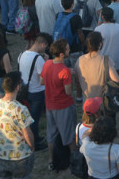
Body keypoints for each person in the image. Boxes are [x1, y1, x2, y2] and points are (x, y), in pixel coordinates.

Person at [0, 72, 35, 179]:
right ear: (17, 87)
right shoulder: (20, 109)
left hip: (2, 155)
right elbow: (27, 134)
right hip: (21, 156)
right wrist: (32, 147)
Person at [40, 39, 77, 170]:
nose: (69, 50)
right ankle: (75, 160)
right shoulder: (64, 71)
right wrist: (70, 77)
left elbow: (41, 81)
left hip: (50, 105)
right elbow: (68, 92)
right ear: (61, 54)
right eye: (67, 49)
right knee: (69, 135)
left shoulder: (47, 64)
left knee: (51, 134)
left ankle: (51, 160)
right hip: (63, 106)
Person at [76, 31, 119, 101]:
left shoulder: (80, 60)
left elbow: (77, 81)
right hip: (103, 102)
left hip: (87, 103)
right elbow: (117, 80)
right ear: (100, 45)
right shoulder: (106, 60)